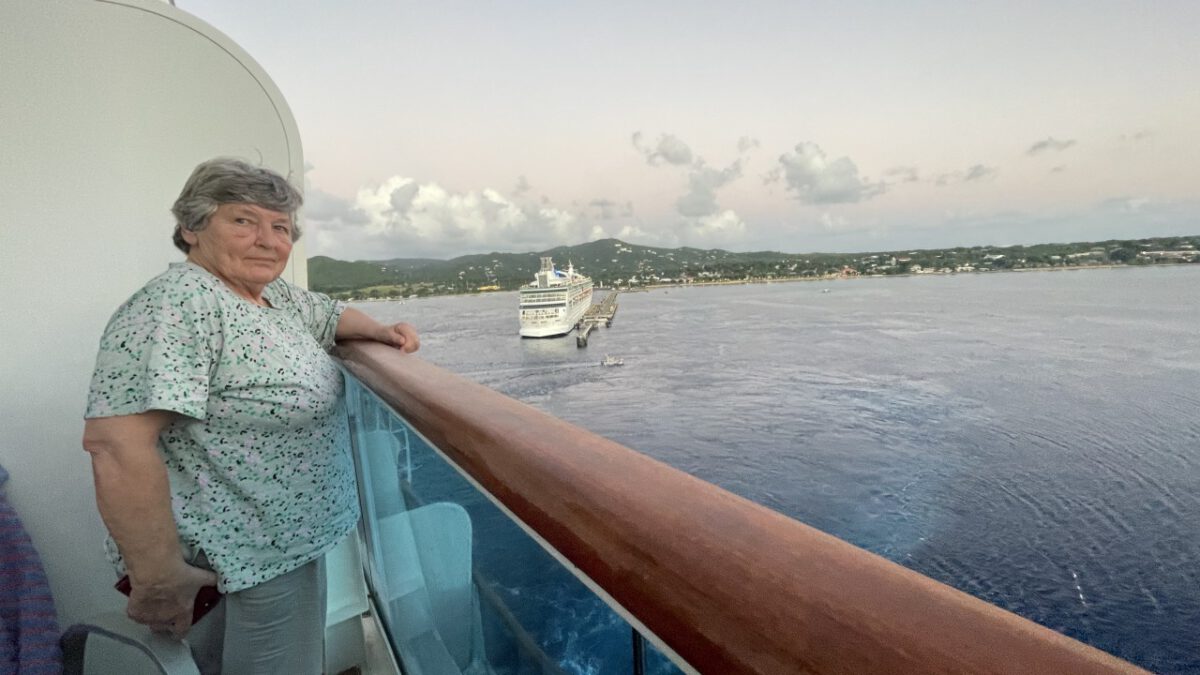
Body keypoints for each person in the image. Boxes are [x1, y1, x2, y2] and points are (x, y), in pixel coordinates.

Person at [81, 157, 419, 674]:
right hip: (241, 564)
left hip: (284, 548)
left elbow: (329, 314)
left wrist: (382, 332)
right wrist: (158, 579)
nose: (268, 240)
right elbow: (115, 445)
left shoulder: (269, 297)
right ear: (191, 227)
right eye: (243, 220)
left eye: (280, 227)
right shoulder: (179, 305)